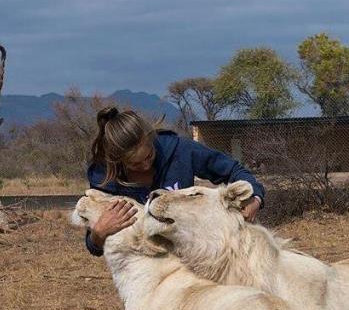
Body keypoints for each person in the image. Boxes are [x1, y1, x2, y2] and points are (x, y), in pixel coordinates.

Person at [84, 106, 264, 256]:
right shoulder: (104, 179)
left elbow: (234, 171)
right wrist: (98, 234)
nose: (146, 165)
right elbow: (94, 246)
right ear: (118, 160)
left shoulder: (180, 150)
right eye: (135, 164)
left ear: (152, 139)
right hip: (143, 267)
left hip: (187, 256)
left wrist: (255, 198)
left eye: (149, 156)